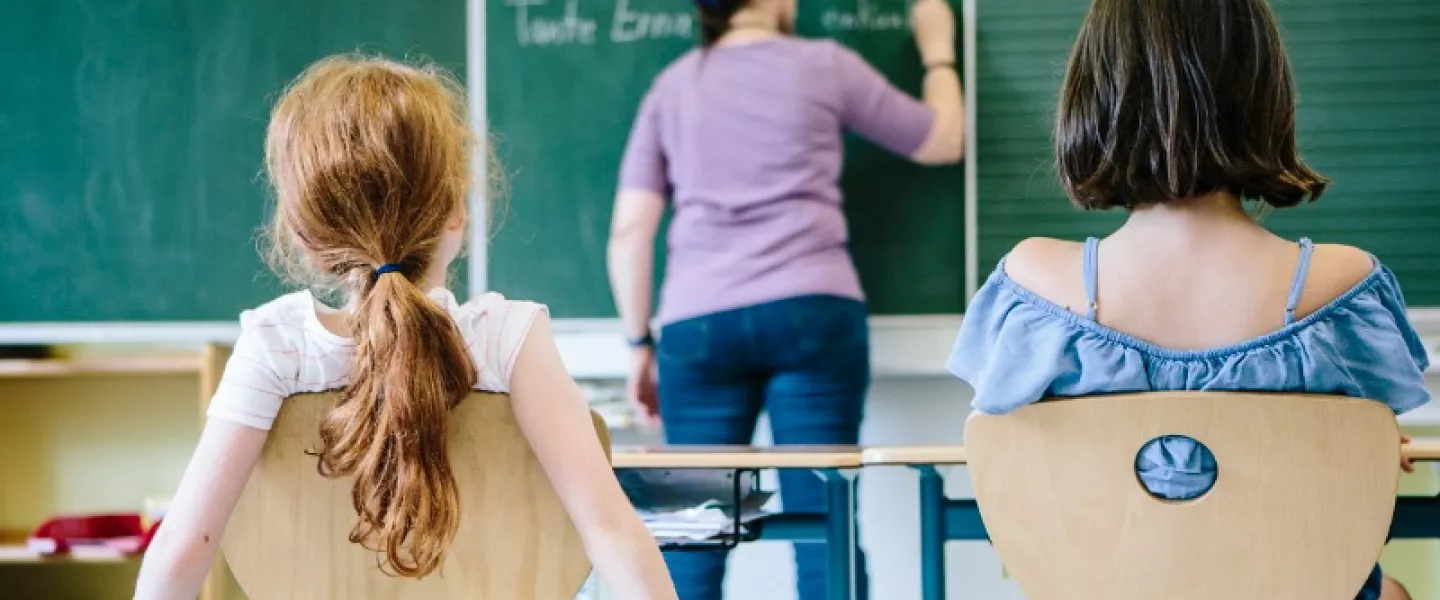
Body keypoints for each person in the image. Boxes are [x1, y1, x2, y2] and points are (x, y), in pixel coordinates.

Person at [133, 55, 677, 600]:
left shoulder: (275, 346)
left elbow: (183, 547)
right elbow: (611, 532)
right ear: (456, 211)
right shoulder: (511, 336)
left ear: (305, 237)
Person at [945, 1, 1429, 599]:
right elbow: (1367, 462)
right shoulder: (1341, 289)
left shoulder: (1034, 289)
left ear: (1094, 97)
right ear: (1265, 97)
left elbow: (1008, 450)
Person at [606, 0, 963, 596]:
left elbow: (630, 232)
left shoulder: (671, 87)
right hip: (812, 310)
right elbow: (942, 139)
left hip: (700, 327)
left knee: (694, 537)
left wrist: (639, 343)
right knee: (825, 526)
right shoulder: (824, 65)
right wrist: (937, 48)